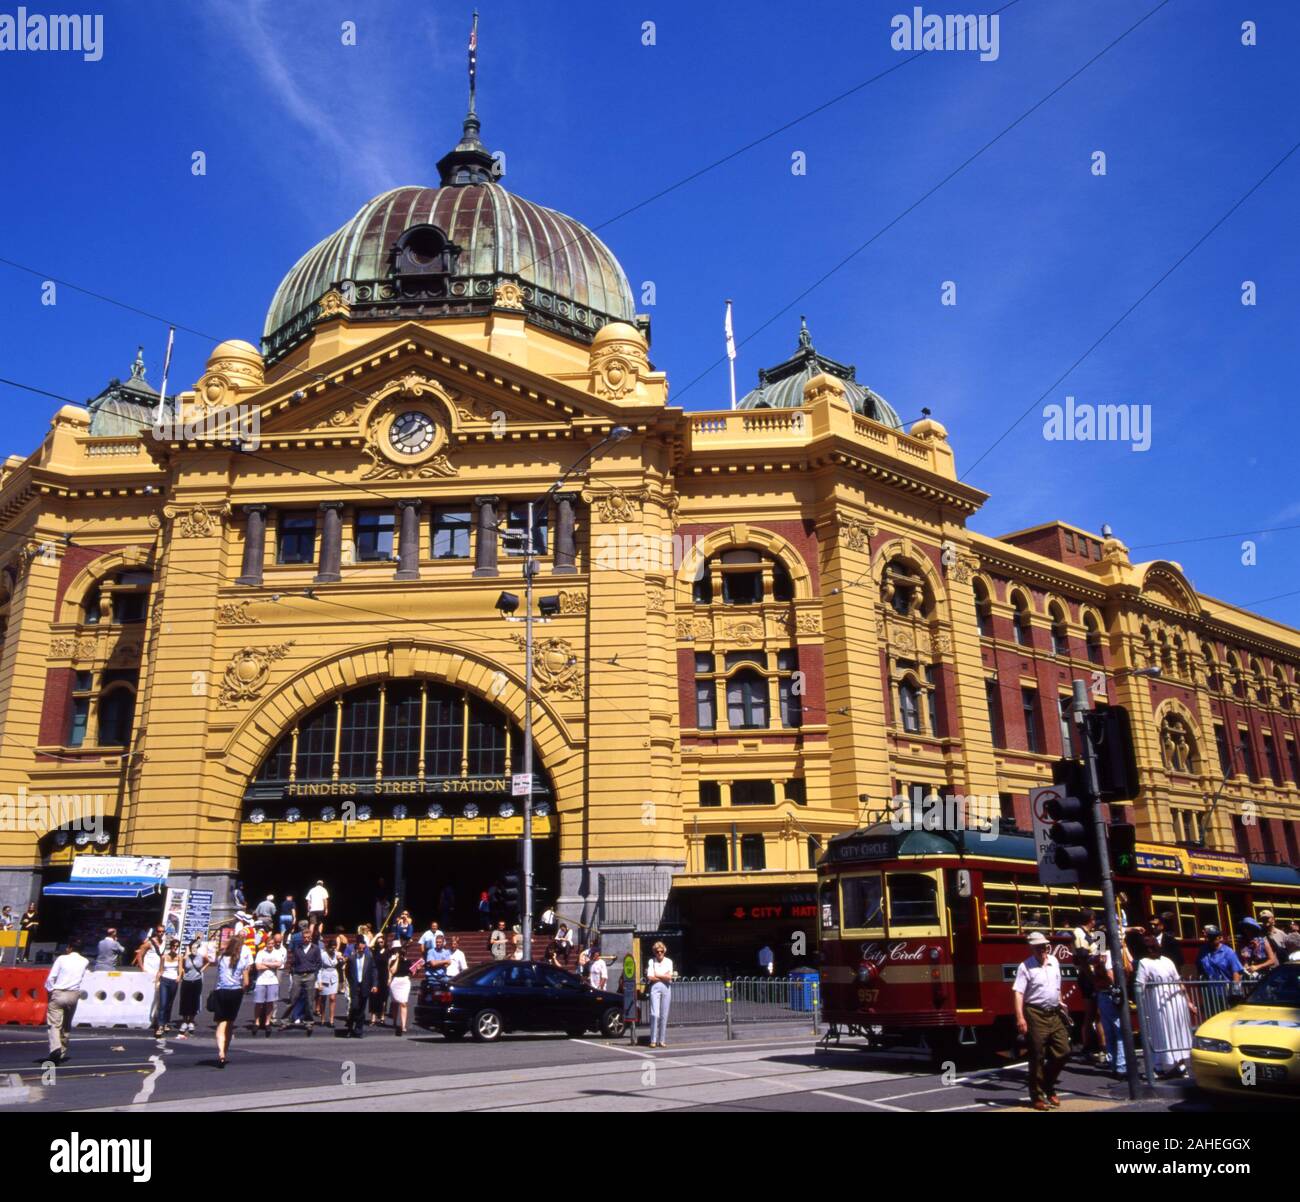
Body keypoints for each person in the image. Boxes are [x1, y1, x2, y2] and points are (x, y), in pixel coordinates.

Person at [1011, 932, 1071, 1111]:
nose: (1042, 950)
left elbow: (1057, 985)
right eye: (1038, 947)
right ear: (1032, 948)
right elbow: (1018, 992)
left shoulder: (1054, 962)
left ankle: (1047, 1083)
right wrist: (1020, 1017)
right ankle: (1037, 1095)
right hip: (1035, 1013)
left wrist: (1061, 1002)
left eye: (1044, 946)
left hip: (1054, 1012)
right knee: (1037, 1054)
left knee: (1064, 1051)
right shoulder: (1025, 967)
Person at [1134, 936, 1198, 1078]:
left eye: (1155, 947)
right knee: (1163, 1033)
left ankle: (1179, 1065)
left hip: (1171, 1002)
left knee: (1174, 1032)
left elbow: (1178, 981)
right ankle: (1163, 1066)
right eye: (1151, 948)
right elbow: (1140, 986)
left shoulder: (1164, 961)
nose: (1153, 950)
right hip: (1161, 1003)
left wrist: (1188, 1002)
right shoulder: (1146, 962)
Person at [44, 937, 89, 1064]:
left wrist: (51, 991)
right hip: (73, 995)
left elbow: (51, 977)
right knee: (66, 1025)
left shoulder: (62, 958)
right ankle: (62, 1051)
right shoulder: (84, 961)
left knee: (54, 1024)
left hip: (59, 993)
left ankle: (55, 1048)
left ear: (69, 948)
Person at [212, 933, 252, 1066]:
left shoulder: (221, 957)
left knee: (221, 1023)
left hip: (221, 990)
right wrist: (243, 990)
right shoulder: (242, 960)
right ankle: (225, 1051)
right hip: (235, 991)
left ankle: (221, 1051)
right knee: (230, 1023)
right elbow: (246, 982)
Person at [1089, 949, 1125, 1078]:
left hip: (1102, 994)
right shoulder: (1110, 953)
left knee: (1109, 1032)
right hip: (1112, 994)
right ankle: (1122, 1067)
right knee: (1119, 1031)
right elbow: (1111, 977)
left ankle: (1114, 1064)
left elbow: (1093, 975)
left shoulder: (1096, 953)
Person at [283, 922, 322, 1033]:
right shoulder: (298, 948)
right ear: (302, 938)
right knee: (292, 998)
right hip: (298, 975)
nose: (306, 939)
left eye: (308, 937)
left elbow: (319, 963)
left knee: (309, 1000)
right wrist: (294, 972)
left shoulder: (315, 949)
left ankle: (308, 1022)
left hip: (310, 975)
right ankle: (285, 1020)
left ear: (311, 938)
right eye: (304, 937)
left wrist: (314, 973)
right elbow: (293, 961)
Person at [345, 937, 379, 1038]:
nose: (361, 950)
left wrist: (374, 985)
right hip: (355, 985)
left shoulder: (369, 958)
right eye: (359, 949)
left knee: (361, 1009)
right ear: (356, 948)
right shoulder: (352, 958)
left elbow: (374, 972)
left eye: (363, 949)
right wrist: (351, 982)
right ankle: (350, 1027)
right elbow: (347, 972)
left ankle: (358, 1030)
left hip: (365, 985)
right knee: (354, 1007)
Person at [253, 931, 285, 1036]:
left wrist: (265, 963)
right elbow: (258, 967)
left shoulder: (277, 952)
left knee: (270, 1002)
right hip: (261, 980)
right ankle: (257, 1022)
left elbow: (279, 964)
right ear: (265, 944)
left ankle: (267, 1022)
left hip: (272, 980)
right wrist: (272, 965)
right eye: (268, 944)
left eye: (272, 943)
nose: (270, 945)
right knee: (259, 1002)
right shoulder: (261, 953)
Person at [177, 937, 209, 1039]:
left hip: (197, 980)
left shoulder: (200, 956)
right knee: (185, 1001)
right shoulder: (186, 956)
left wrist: (202, 970)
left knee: (194, 1000)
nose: (194, 949)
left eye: (196, 947)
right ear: (190, 948)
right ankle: (184, 1020)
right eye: (192, 948)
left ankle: (191, 1020)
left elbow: (209, 961)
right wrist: (182, 973)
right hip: (187, 980)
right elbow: (181, 966)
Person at [647, 942, 675, 1049]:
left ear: (664, 951)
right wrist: (664, 976)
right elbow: (650, 977)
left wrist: (657, 974)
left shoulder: (669, 961)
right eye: (657, 951)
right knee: (655, 1014)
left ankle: (662, 1040)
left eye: (661, 951)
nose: (659, 953)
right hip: (655, 988)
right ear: (654, 952)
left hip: (666, 988)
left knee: (664, 1014)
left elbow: (670, 977)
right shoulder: (651, 961)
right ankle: (653, 1040)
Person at [154, 938, 183, 1035]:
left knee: (169, 1003)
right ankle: (160, 1025)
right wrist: (157, 981)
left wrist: (179, 977)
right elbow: (161, 970)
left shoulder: (179, 957)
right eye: (173, 946)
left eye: (176, 946)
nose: (175, 948)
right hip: (165, 980)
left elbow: (180, 970)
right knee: (163, 1003)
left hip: (173, 981)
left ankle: (166, 1022)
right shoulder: (164, 957)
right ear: (170, 946)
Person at [388, 938, 413, 1036]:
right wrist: (397, 959)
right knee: (394, 1003)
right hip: (396, 981)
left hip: (405, 981)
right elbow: (393, 971)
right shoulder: (393, 960)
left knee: (404, 1003)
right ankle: (394, 1021)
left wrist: (417, 969)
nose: (401, 954)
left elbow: (411, 973)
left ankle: (403, 1025)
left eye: (402, 952)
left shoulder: (408, 962)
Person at [316, 937, 340, 1029]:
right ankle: (322, 1018)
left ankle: (331, 1020)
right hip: (324, 975)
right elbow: (319, 969)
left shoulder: (336, 954)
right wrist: (319, 982)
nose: (333, 950)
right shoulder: (323, 955)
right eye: (331, 948)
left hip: (333, 975)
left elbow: (342, 958)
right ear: (328, 947)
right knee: (323, 998)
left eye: (334, 948)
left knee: (333, 998)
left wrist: (341, 959)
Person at [369, 933, 389, 1025]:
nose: (380, 943)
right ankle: (373, 1018)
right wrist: (376, 936)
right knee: (374, 996)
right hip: (375, 975)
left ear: (384, 942)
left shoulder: (388, 951)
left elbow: (389, 965)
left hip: (384, 975)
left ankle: (382, 1016)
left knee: (383, 997)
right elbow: (370, 945)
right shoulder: (375, 950)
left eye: (382, 942)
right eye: (379, 942)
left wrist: (389, 978)